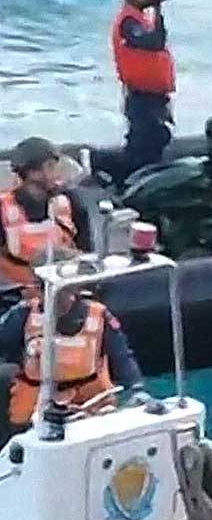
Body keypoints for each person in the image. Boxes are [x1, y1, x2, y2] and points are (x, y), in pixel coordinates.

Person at [0, 248, 146, 434]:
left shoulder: (99, 317)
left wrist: (137, 390)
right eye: (48, 288)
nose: (60, 297)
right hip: (36, 418)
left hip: (94, 414)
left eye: (65, 288)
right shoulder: (21, 316)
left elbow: (123, 360)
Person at [111, 0, 177, 176]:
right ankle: (96, 162)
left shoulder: (138, 18)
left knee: (155, 141)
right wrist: (157, 8)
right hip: (141, 97)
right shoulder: (128, 21)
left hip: (153, 95)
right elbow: (154, 42)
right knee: (140, 150)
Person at [0, 138, 87, 288]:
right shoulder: (3, 209)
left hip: (64, 291)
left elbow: (84, 249)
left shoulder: (68, 201)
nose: (57, 173)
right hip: (17, 296)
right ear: (32, 172)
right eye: (50, 167)